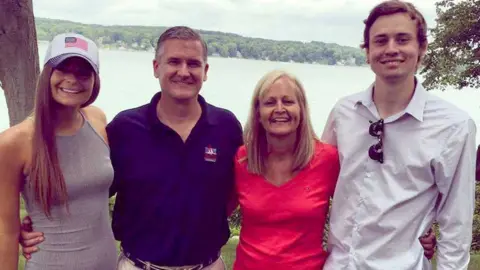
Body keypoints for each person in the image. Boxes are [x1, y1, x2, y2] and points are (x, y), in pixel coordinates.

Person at [20, 26, 243, 270]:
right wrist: (34, 224)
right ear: (156, 67)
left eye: (193, 63)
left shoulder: (226, 127)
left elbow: (234, 192)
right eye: (174, 62)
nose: (184, 71)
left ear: (206, 70)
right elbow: (90, 189)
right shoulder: (125, 128)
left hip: (208, 266)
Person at [321, 1, 476, 269]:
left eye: (402, 39)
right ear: (367, 52)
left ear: (422, 48)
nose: (391, 49)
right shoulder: (343, 113)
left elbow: (457, 223)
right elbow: (316, 184)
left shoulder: (454, 126)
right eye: (380, 41)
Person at [0, 33, 117, 270]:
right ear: (47, 73)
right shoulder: (14, 142)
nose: (72, 79)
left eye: (83, 72)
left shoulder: (97, 119)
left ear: (95, 80)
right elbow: (5, 232)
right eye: (63, 69)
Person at [230, 70, 340, 269]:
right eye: (270, 102)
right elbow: (217, 210)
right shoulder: (242, 160)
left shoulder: (328, 159)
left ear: (302, 109)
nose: (279, 109)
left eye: (288, 101)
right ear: (258, 112)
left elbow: (355, 213)